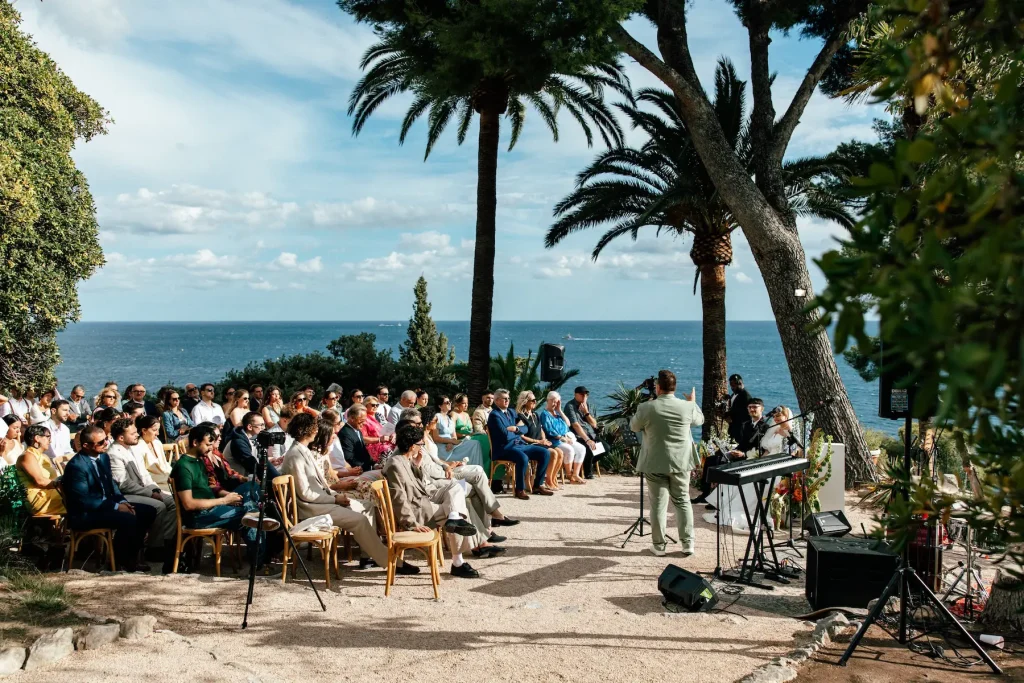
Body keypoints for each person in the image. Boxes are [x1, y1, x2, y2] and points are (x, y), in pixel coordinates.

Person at [281, 413, 419, 575]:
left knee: (368, 506)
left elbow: (318, 486)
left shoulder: (302, 450)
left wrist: (335, 496)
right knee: (359, 520)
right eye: (314, 427)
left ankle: (369, 555)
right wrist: (335, 499)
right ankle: (390, 562)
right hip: (312, 507)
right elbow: (306, 493)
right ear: (307, 430)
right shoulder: (295, 455)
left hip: (321, 501)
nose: (317, 430)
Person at [383, 424, 481, 578]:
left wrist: (417, 465)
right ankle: (458, 562)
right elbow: (398, 499)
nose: (422, 447)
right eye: (420, 444)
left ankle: (454, 518)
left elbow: (414, 481)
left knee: (455, 488)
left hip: (423, 500)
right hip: (417, 511)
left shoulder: (404, 459)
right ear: (412, 446)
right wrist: (412, 524)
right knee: (459, 512)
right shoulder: (395, 465)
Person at [171, 424, 274, 568]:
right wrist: (224, 500)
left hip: (212, 509)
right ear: (195, 442)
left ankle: (252, 516)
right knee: (252, 518)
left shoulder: (198, 460)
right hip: (199, 516)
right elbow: (189, 504)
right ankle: (259, 563)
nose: (210, 448)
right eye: (208, 445)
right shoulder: (184, 467)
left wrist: (229, 496)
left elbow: (210, 488)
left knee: (252, 490)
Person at [415, 407, 517, 552]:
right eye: (435, 420)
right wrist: (447, 468)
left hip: (442, 472)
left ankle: (486, 531)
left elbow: (434, 460)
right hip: (439, 479)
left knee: (477, 475)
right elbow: (427, 469)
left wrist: (448, 464)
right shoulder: (418, 443)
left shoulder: (426, 438)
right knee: (474, 481)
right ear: (428, 422)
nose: (436, 423)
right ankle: (489, 526)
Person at [62, 425, 156, 572]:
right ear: (86, 446)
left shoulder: (103, 457)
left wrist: (122, 501)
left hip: (106, 505)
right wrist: (117, 507)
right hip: (85, 513)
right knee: (128, 518)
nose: (106, 443)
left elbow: (112, 484)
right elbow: (84, 501)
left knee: (148, 511)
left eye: (105, 439)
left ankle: (128, 557)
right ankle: (120, 561)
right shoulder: (77, 467)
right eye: (100, 442)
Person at [630, 370, 703, 558]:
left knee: (658, 505)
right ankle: (687, 544)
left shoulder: (647, 407)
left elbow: (634, 426)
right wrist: (692, 402)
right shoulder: (687, 407)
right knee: (683, 501)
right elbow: (700, 420)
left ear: (658, 388)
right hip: (681, 462)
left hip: (655, 462)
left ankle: (659, 546)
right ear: (675, 388)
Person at [106, 418, 177, 568]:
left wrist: (155, 489)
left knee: (172, 502)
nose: (137, 435)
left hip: (141, 490)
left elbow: (144, 474)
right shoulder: (114, 453)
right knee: (159, 506)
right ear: (121, 437)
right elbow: (124, 484)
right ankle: (154, 547)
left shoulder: (132, 448)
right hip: (125, 495)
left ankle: (165, 542)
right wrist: (150, 494)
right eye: (132, 433)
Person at [487, 389, 553, 499]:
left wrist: (516, 429)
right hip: (504, 448)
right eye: (504, 399)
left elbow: (525, 428)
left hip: (519, 445)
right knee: (522, 457)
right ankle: (520, 489)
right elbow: (504, 435)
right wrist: (517, 433)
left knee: (545, 453)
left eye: (508, 398)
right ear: (497, 400)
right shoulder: (494, 415)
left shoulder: (512, 412)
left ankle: (537, 486)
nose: (507, 400)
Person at [515, 391, 562, 490]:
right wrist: (539, 441)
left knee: (560, 452)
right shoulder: (520, 416)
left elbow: (541, 429)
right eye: (533, 400)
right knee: (553, 453)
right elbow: (521, 436)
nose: (535, 402)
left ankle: (552, 479)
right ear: (525, 401)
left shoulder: (535, 414)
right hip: (529, 444)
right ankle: (547, 481)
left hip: (540, 442)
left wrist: (544, 439)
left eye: (535, 400)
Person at [538, 391, 587, 485]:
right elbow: (549, 430)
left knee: (581, 448)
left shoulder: (557, 413)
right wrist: (562, 438)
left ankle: (575, 474)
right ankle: (569, 475)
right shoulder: (545, 414)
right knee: (569, 450)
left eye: (556, 402)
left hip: (566, 438)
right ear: (547, 401)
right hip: (555, 440)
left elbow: (568, 424)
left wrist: (560, 410)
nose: (554, 404)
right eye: (552, 401)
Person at [16, 424, 65, 515]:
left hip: (52, 492)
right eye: (48, 437)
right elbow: (40, 481)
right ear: (37, 438)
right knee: (78, 498)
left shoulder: (45, 457)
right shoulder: (27, 456)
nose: (50, 441)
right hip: (39, 498)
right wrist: (63, 484)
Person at [223, 411, 280, 480]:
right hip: (236, 482)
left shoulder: (254, 438)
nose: (264, 428)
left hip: (248, 479)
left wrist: (269, 462)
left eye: (264, 424)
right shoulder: (238, 442)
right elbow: (252, 466)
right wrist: (276, 479)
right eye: (261, 425)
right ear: (250, 427)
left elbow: (258, 462)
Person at [565, 386, 606, 479]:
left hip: (591, 434)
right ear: (575, 395)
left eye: (586, 394)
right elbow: (575, 425)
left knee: (605, 448)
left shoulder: (589, 406)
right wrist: (587, 440)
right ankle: (587, 472)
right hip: (579, 436)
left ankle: (583, 465)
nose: (584, 396)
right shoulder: (570, 406)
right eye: (581, 394)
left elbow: (594, 424)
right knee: (589, 449)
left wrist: (586, 412)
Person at [431, 396, 483, 467]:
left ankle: (477, 469)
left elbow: (454, 436)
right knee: (474, 444)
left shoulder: (449, 418)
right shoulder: (437, 417)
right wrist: (450, 441)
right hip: (443, 448)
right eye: (447, 402)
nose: (450, 403)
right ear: (440, 406)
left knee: (475, 443)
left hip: (452, 445)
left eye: (450, 402)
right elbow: (436, 438)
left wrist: (451, 443)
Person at [451, 393, 490, 469]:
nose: (466, 405)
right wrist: (463, 435)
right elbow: (451, 431)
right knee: (479, 442)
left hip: (470, 437)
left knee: (486, 438)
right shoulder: (453, 414)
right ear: (457, 403)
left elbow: (471, 430)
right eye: (463, 403)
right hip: (460, 440)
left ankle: (486, 468)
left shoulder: (466, 414)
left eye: (467, 403)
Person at [134, 415, 172, 491]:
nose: (157, 433)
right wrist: (166, 478)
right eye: (154, 430)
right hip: (153, 485)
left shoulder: (157, 443)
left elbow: (165, 464)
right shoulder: (137, 448)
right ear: (144, 430)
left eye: (158, 430)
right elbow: (143, 474)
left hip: (168, 480)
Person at [339, 405, 375, 472]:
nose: (364, 423)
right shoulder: (345, 434)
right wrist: (369, 468)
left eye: (365, 420)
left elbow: (364, 452)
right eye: (362, 420)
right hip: (356, 471)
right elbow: (349, 458)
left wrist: (374, 464)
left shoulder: (357, 430)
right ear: (352, 418)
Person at [360, 398, 395, 464]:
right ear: (366, 406)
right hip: (373, 444)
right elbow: (363, 438)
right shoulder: (363, 419)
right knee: (386, 449)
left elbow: (388, 427)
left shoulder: (379, 415)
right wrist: (379, 439)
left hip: (386, 441)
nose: (375, 407)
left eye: (377, 405)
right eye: (373, 405)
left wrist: (393, 434)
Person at [44, 399, 74, 464]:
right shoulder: (43, 428)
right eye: (64, 410)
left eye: (68, 411)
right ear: (53, 411)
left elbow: (67, 450)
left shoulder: (65, 429)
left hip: (64, 464)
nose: (68, 414)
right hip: (47, 465)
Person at [725, 374, 753, 443]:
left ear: (740, 383)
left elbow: (746, 414)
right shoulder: (734, 394)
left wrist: (731, 418)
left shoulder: (745, 396)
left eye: (734, 385)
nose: (732, 388)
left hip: (740, 429)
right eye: (731, 385)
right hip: (733, 427)